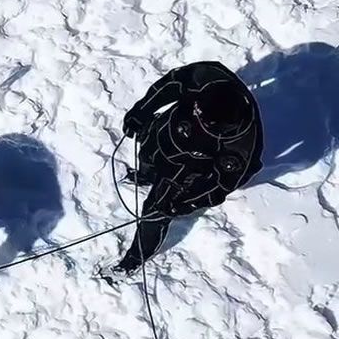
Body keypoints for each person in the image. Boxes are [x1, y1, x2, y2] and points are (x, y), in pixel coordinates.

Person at [103, 60, 264, 283]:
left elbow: (220, 186)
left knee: (155, 212)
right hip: (165, 132)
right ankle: (146, 175)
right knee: (147, 154)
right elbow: (170, 85)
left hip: (186, 168)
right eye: (197, 110)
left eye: (202, 119)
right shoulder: (207, 78)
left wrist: (187, 203)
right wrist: (141, 111)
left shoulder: (242, 146)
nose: (196, 116)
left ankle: (134, 258)